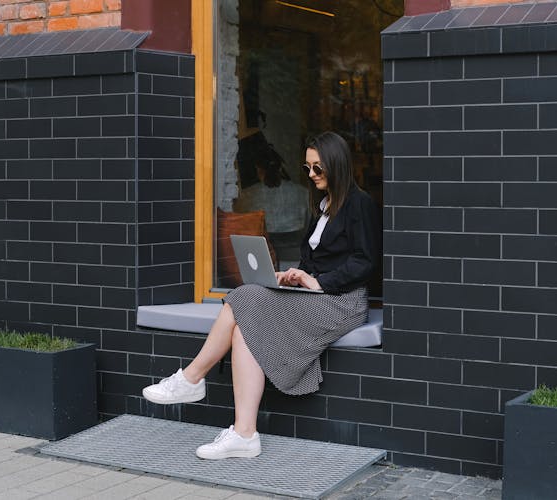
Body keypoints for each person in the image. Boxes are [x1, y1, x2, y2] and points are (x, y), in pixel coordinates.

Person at [142, 131, 379, 460]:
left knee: (246, 296)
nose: (311, 176)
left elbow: (365, 262)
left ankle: (193, 378)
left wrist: (319, 282)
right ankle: (244, 433)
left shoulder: (360, 204)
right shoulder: (322, 205)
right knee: (244, 326)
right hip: (316, 295)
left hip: (341, 302)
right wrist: (294, 275)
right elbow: (316, 258)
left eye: (317, 169)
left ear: (336, 166)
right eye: (307, 168)